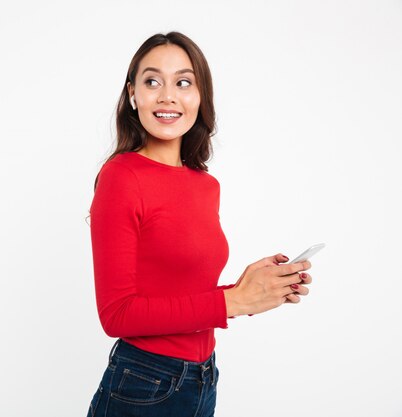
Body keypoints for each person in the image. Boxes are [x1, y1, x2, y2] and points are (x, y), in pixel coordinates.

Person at [85, 32, 313, 417]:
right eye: (152, 81)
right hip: (144, 383)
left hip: (203, 379)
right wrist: (233, 302)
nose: (168, 95)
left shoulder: (205, 185)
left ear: (200, 96)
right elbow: (117, 314)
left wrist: (249, 290)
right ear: (132, 95)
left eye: (184, 82)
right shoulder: (122, 177)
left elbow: (186, 294)